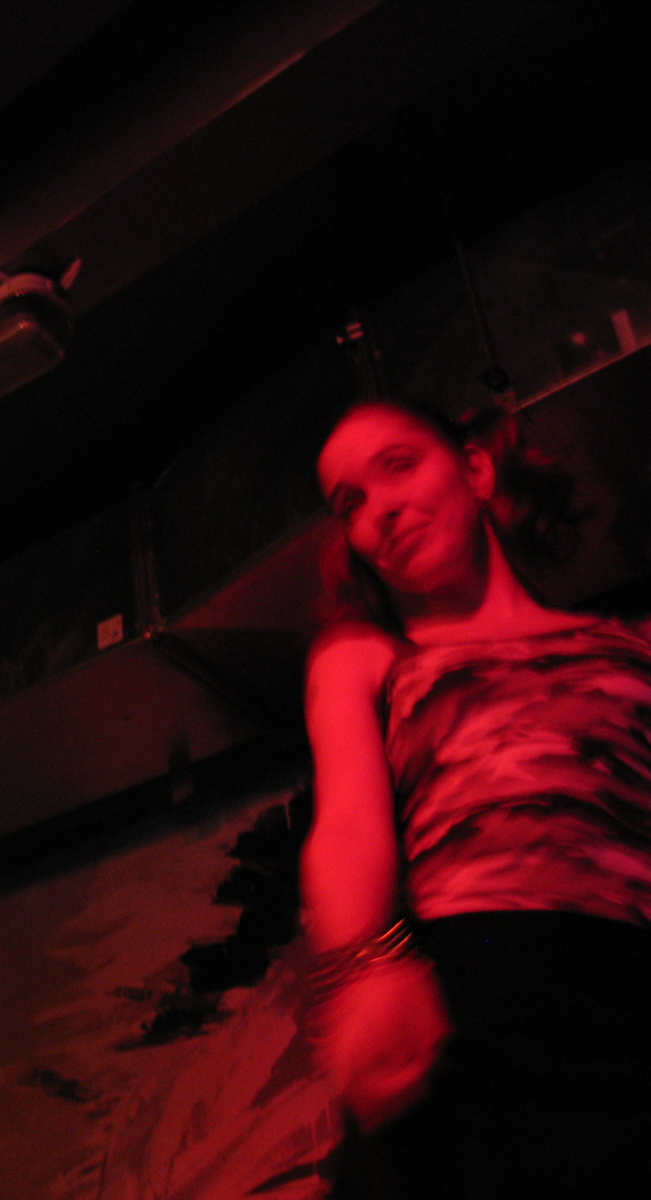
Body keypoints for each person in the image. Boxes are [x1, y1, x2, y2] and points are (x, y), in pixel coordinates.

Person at [302, 398, 651, 1199]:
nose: (380, 510)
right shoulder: (366, 656)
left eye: (398, 466)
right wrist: (366, 968)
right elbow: (347, 823)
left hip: (632, 990)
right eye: (350, 504)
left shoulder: (633, 647)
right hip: (464, 994)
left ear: (475, 468)